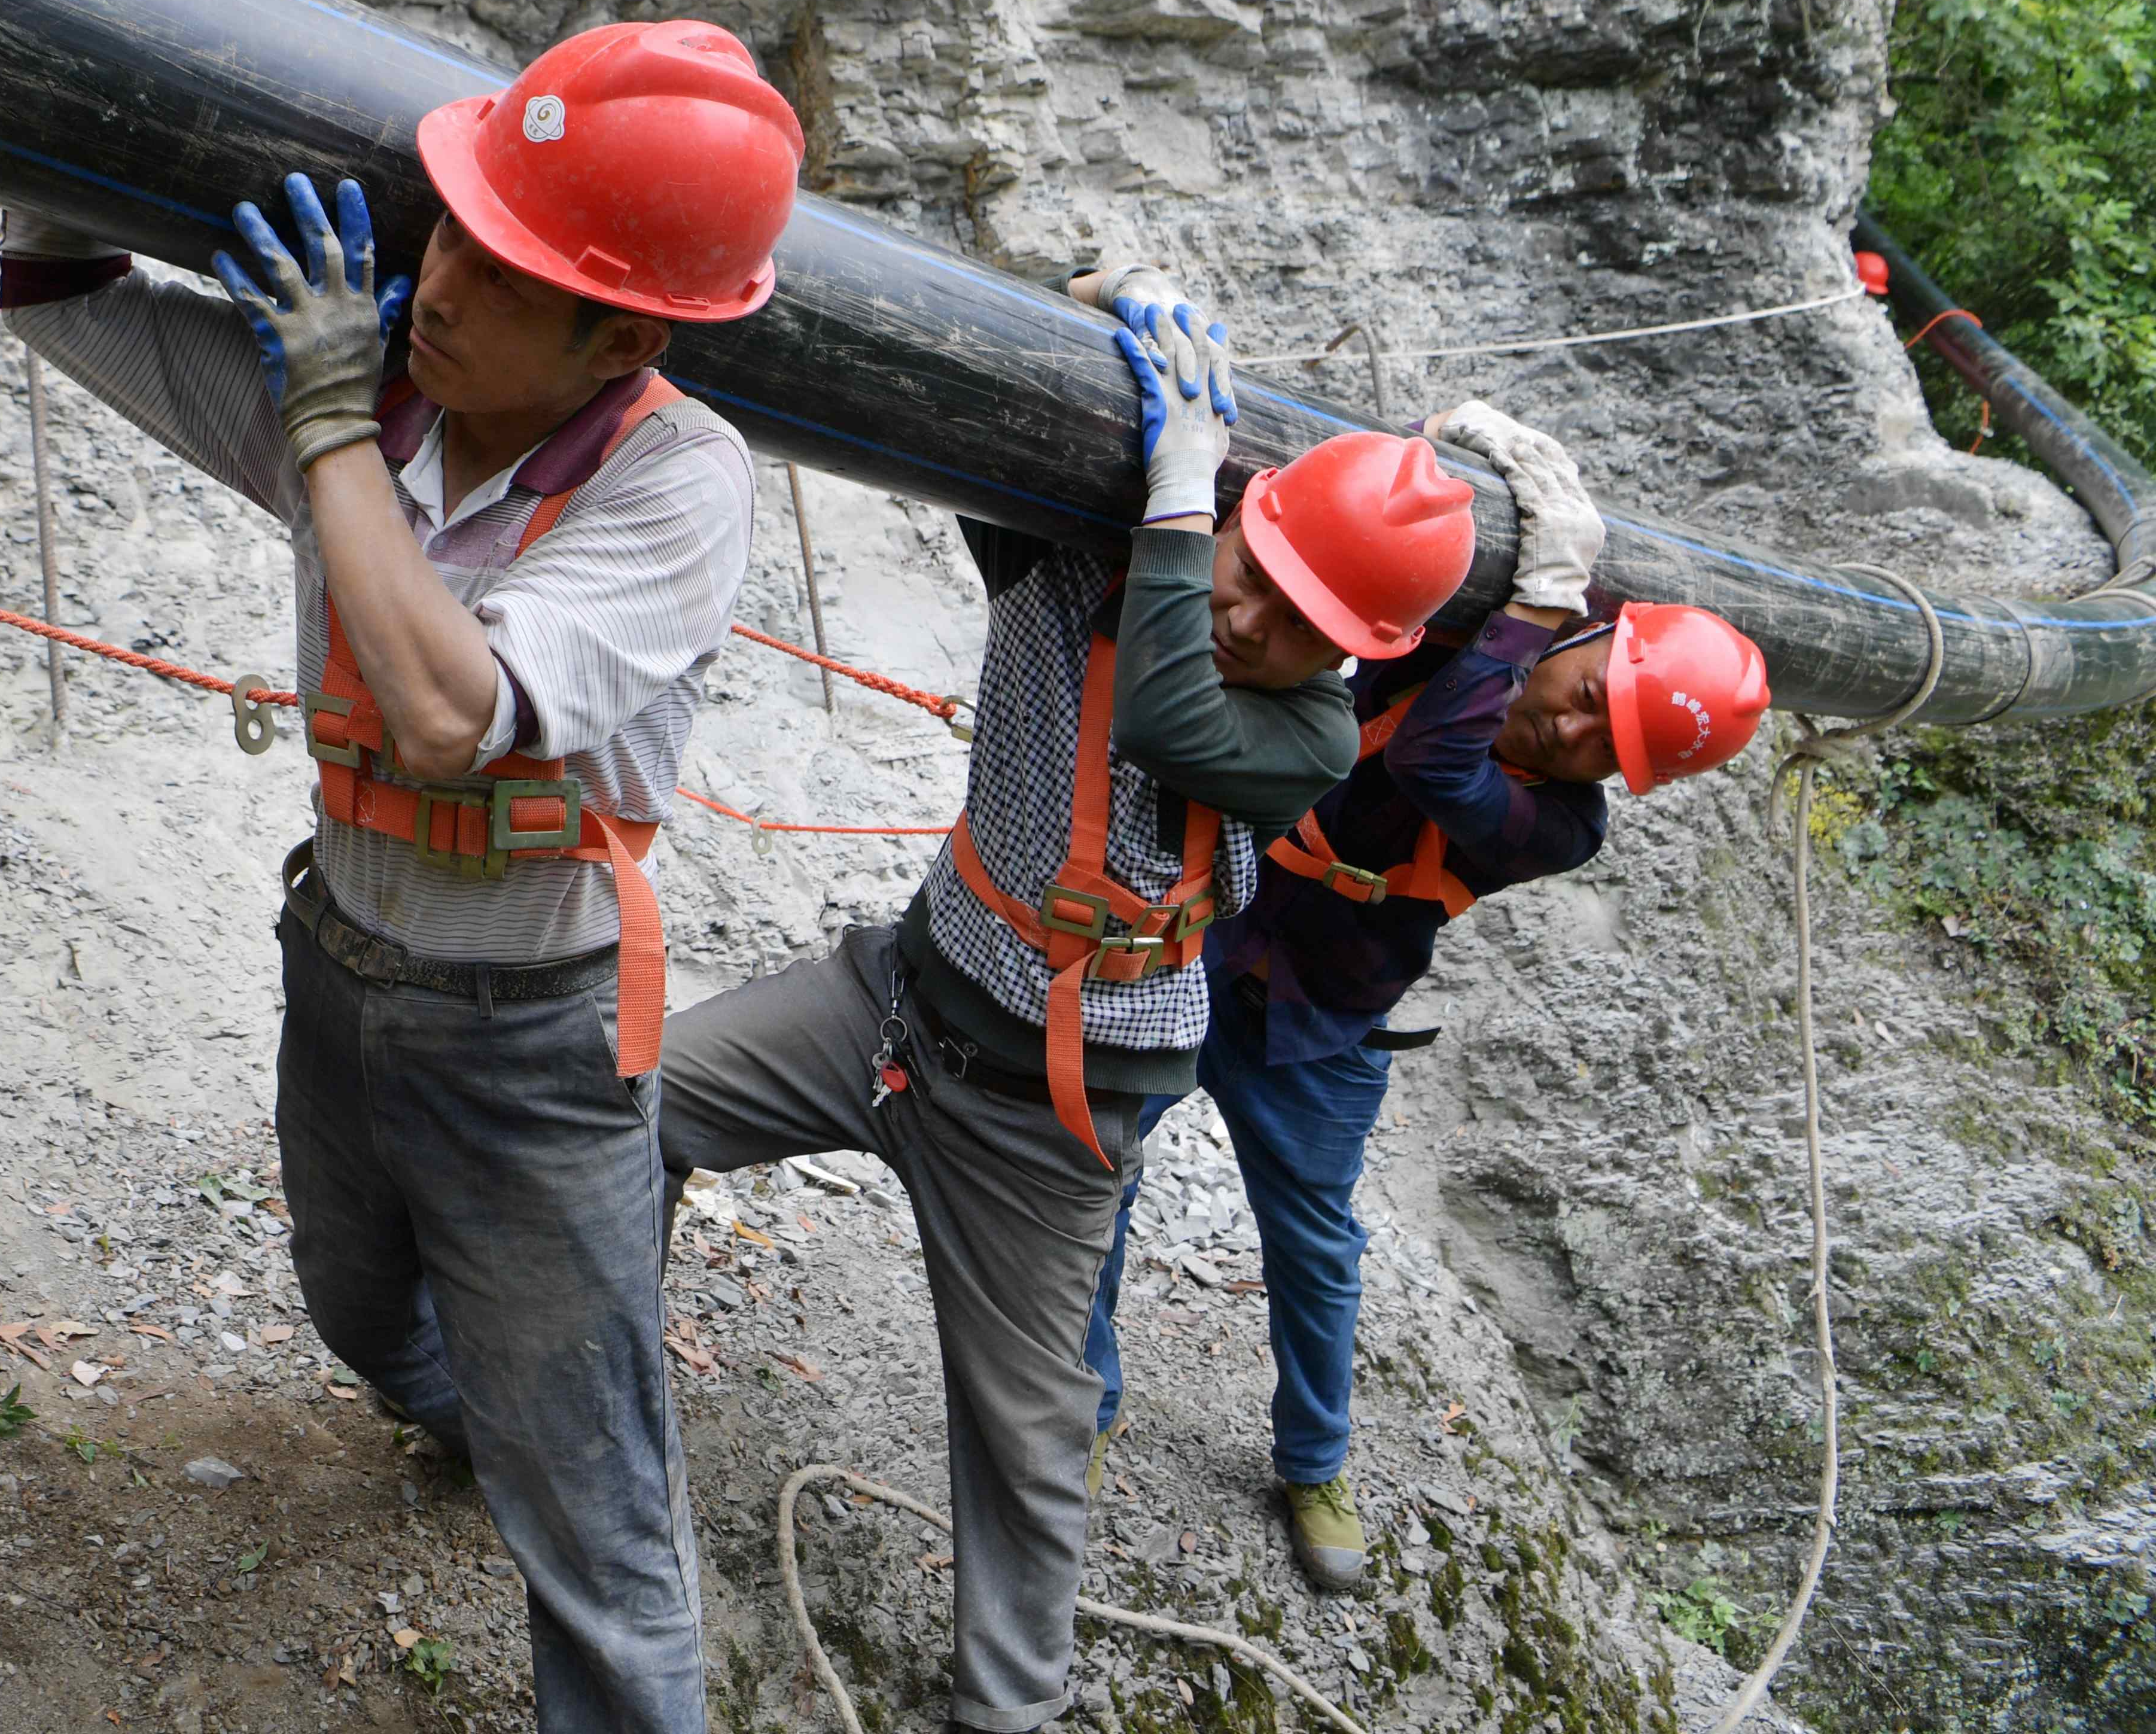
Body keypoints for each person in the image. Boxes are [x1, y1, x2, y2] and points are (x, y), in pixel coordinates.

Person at [1, 0, 803, 1734]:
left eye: (506, 275)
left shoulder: (677, 480)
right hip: (344, 961)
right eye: (452, 227)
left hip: (532, 1034)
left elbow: (451, 716)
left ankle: (561, 1446)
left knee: (601, 1546)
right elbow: (57, 295)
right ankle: (487, 1404)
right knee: (362, 1313)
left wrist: (336, 418)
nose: (440, 279)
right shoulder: (385, 389)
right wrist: (119, 31)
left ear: (619, 339)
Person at [656, 264, 1482, 1734]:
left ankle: (1010, 1713)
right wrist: (1078, 303)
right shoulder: (1089, 565)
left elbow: (1171, 703)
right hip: (899, 1003)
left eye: (1299, 617)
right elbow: (959, 425)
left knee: (1026, 1442)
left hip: (1056, 1116)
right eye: (1250, 566)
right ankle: (566, 1414)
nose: (1250, 616)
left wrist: (1177, 500)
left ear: (1356, 652)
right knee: (632, 1098)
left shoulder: (1303, 734)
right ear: (1239, 516)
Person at [1079, 400, 1771, 1595]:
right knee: (1101, 1166)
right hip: (1205, 941)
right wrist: (1457, 448)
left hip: (1322, 1023)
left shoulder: (1558, 824)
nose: (1564, 728)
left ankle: (1315, 1461)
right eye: (1584, 691)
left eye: (1603, 742)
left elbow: (1430, 762)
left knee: (1312, 1244)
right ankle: (1078, 1405)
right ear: (1601, 633)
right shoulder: (1456, 635)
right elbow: (1357, 557)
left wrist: (1539, 606)